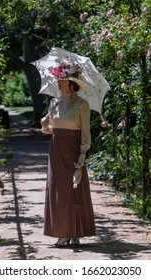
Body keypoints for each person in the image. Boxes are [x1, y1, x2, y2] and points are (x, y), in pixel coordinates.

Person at [40, 62, 96, 247]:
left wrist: (82, 154)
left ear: (71, 82)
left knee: (73, 190)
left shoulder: (82, 104)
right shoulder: (54, 102)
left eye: (61, 79)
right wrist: (44, 125)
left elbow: (86, 132)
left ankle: (75, 232)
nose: (58, 82)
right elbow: (50, 129)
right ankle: (63, 231)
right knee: (58, 191)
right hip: (55, 150)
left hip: (73, 150)